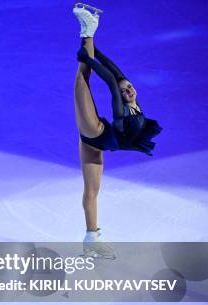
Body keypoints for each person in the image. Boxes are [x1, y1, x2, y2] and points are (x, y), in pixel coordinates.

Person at [72, 3, 162, 258]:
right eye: (126, 92)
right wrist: (93, 52)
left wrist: (90, 56)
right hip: (96, 138)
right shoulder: (126, 110)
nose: (128, 90)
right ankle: (87, 30)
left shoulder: (128, 109)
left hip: (96, 137)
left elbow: (115, 79)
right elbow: (114, 78)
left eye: (130, 88)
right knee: (82, 79)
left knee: (82, 78)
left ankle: (89, 29)